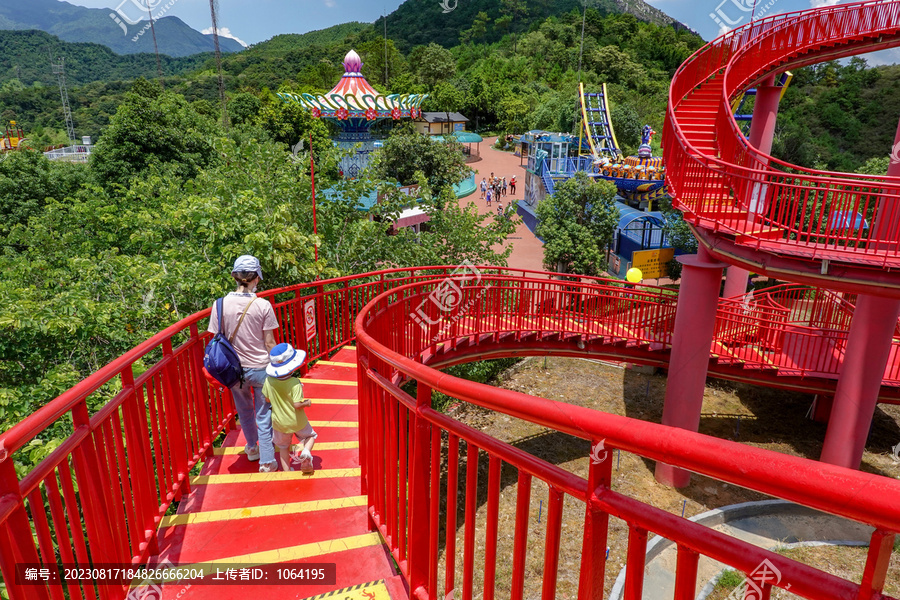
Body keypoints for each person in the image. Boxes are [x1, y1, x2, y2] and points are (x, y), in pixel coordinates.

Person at [207, 255, 279, 473]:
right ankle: (267, 461)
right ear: (256, 278)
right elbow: (269, 342)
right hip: (260, 368)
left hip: (234, 371)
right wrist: (280, 368)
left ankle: (251, 448)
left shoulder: (219, 305)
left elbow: (217, 338)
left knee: (244, 410)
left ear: (234, 277)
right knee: (264, 413)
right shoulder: (263, 305)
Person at [263, 343, 317, 473]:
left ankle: (287, 472)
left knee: (283, 447)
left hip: (279, 423)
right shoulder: (294, 383)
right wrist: (307, 403)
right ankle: (305, 452)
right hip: (297, 420)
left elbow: (267, 399)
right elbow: (297, 405)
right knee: (310, 437)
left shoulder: (268, 381)